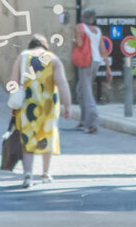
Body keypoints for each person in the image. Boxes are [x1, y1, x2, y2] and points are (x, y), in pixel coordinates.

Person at [9, 35, 70, 188]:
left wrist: (12, 105)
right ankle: (45, 172)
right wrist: (67, 105)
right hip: (48, 105)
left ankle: (28, 174)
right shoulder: (53, 59)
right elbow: (62, 83)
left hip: (27, 105)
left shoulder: (23, 57)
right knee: (47, 136)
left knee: (27, 137)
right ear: (45, 46)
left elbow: (13, 82)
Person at [71, 9, 104, 134]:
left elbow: (79, 43)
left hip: (86, 61)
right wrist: (107, 67)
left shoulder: (80, 27)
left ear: (83, 17)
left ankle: (92, 123)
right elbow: (102, 49)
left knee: (87, 91)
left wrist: (73, 41)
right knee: (81, 90)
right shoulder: (98, 30)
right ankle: (83, 120)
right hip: (96, 61)